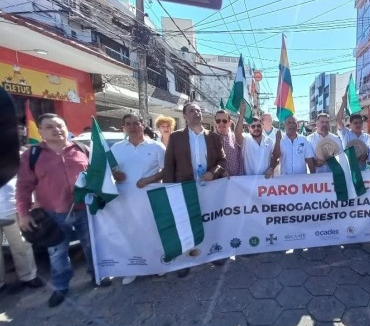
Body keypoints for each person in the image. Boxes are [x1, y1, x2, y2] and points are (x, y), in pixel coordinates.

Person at [16, 113, 111, 308]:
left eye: (60, 125)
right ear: (41, 131)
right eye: (50, 126)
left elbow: (97, 175)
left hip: (85, 210)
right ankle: (60, 286)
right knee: (57, 253)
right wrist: (24, 214)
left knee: (92, 246)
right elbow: (23, 187)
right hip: (53, 214)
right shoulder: (32, 155)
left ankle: (97, 276)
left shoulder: (81, 149)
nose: (56, 129)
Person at [163, 102, 227, 274]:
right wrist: (169, 188)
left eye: (198, 110)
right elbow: (169, 164)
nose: (196, 113)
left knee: (212, 220)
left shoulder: (213, 137)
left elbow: (222, 161)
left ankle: (216, 253)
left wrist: (214, 172)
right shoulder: (176, 138)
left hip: (210, 188)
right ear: (184, 116)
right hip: (185, 188)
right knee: (186, 224)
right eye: (191, 111)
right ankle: (185, 261)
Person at [111, 113, 166, 285]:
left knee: (152, 233)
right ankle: (132, 269)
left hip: (149, 200)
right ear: (124, 128)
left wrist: (149, 180)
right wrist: (114, 174)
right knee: (130, 234)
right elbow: (107, 172)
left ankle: (157, 265)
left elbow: (166, 170)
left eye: (136, 123)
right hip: (125, 201)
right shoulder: (116, 148)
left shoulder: (157, 147)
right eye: (128, 124)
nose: (133, 127)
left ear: (143, 125)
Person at [0, 174, 43, 295]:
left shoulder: (12, 160)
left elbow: (27, 181)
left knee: (21, 245)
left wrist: (35, 200)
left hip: (12, 210)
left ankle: (28, 276)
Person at [235, 101, 281, 177]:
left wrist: (272, 168)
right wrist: (241, 115)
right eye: (253, 126)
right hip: (248, 182)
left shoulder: (269, 141)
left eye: (258, 126)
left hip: (265, 182)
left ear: (262, 126)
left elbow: (275, 157)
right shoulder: (245, 139)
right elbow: (237, 134)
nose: (256, 128)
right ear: (248, 128)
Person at [336, 93, 370, 169]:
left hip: (362, 168)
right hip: (347, 168)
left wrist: (366, 156)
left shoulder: (367, 137)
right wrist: (343, 103)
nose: (358, 125)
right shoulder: (345, 133)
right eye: (355, 123)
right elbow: (339, 120)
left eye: (360, 123)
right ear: (350, 124)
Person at [214, 110, 244, 177]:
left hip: (237, 180)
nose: (221, 123)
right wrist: (221, 172)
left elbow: (240, 157)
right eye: (218, 121)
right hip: (219, 181)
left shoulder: (234, 137)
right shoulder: (211, 139)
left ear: (230, 123)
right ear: (215, 122)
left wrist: (241, 175)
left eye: (224, 121)